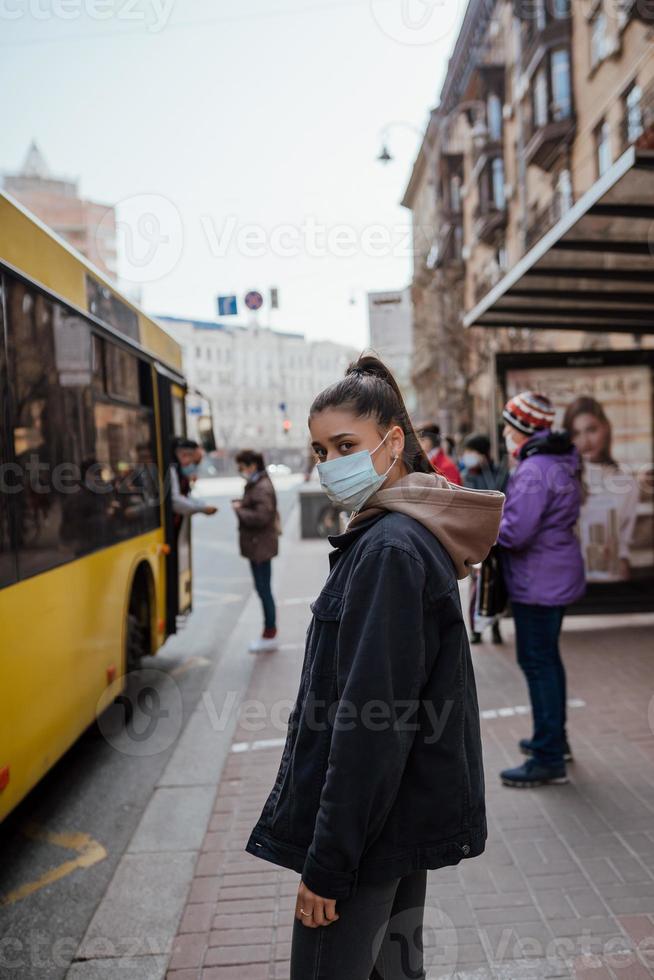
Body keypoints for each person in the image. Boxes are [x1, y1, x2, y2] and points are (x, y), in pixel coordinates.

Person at [245, 355, 504, 979]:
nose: (330, 464)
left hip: (365, 839)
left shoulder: (389, 548)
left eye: (345, 445)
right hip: (395, 824)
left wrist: (328, 864)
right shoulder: (403, 535)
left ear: (392, 443)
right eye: (320, 450)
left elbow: (371, 724)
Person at [497, 391, 585, 789]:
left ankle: (548, 757)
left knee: (538, 664)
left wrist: (483, 525)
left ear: (524, 430)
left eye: (508, 426)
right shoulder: (560, 461)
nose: (503, 433)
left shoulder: (535, 471)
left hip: (538, 580)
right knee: (548, 660)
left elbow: (515, 532)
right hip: (554, 573)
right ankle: (554, 740)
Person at [563, 396, 639, 583]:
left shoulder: (626, 482)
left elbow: (624, 538)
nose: (585, 441)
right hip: (569, 579)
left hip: (611, 579)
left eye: (591, 430)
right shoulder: (562, 479)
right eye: (576, 433)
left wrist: (622, 561)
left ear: (605, 428)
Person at [462, 433, 508, 645]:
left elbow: (500, 497)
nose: (467, 456)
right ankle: (476, 629)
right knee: (476, 585)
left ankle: (495, 626)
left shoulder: (499, 472)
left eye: (472, 452)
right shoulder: (467, 475)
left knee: (495, 583)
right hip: (474, 539)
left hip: (497, 539)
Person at [233, 449, 280, 653]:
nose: (240, 471)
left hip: (260, 546)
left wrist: (239, 510)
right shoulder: (258, 483)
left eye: (242, 466)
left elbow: (262, 517)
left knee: (264, 591)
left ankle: (270, 634)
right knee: (263, 590)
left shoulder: (261, 487)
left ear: (252, 465)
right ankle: (269, 632)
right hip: (258, 545)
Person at [170, 437, 218, 530]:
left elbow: (184, 496)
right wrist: (202, 509)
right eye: (194, 463)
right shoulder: (171, 469)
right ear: (184, 455)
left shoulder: (178, 471)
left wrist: (201, 506)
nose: (193, 468)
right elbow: (175, 501)